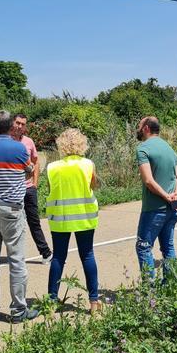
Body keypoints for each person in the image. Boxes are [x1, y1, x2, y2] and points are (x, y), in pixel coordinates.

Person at [0, 110, 39, 324]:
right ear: (11, 126)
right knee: (16, 260)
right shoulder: (19, 148)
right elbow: (30, 170)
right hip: (11, 210)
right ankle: (18, 310)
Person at [45, 128, 102, 313]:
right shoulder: (88, 164)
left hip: (60, 217)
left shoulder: (52, 167)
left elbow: (50, 188)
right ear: (82, 144)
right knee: (87, 255)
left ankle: (51, 301)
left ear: (61, 145)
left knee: (58, 257)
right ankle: (94, 302)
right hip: (84, 216)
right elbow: (93, 185)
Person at [134, 116, 177, 280]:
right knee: (168, 247)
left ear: (146, 128)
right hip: (171, 208)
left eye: (139, 125)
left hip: (153, 208)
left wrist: (165, 196)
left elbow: (148, 180)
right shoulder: (169, 148)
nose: (138, 128)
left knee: (143, 247)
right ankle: (170, 285)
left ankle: (150, 290)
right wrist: (176, 195)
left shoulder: (143, 149)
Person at [10, 113, 53, 264]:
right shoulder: (5, 141)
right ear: (12, 123)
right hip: (12, 190)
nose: (20, 126)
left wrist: (35, 183)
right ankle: (15, 255)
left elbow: (36, 162)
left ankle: (46, 253)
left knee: (34, 221)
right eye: (17, 123)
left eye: (23, 124)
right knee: (13, 223)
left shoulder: (28, 142)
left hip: (28, 189)